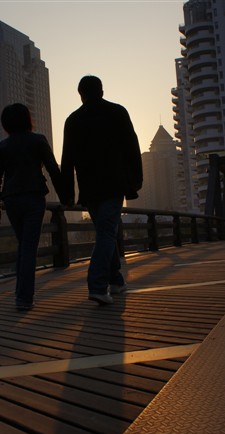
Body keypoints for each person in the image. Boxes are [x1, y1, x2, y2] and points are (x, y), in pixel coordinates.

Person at [61, 75, 143, 305]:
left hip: (89, 187)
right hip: (114, 183)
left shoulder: (73, 120)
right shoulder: (117, 112)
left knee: (106, 231)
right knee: (108, 232)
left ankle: (116, 281)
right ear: (102, 91)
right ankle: (98, 285)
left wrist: (67, 193)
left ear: (81, 94)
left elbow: (67, 160)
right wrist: (136, 179)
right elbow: (132, 146)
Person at [0, 103, 64, 311]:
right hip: (33, 197)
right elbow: (52, 169)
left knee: (24, 244)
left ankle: (20, 292)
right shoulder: (38, 141)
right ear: (27, 120)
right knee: (29, 246)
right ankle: (24, 297)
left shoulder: (2, 147)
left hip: (11, 200)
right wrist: (66, 195)